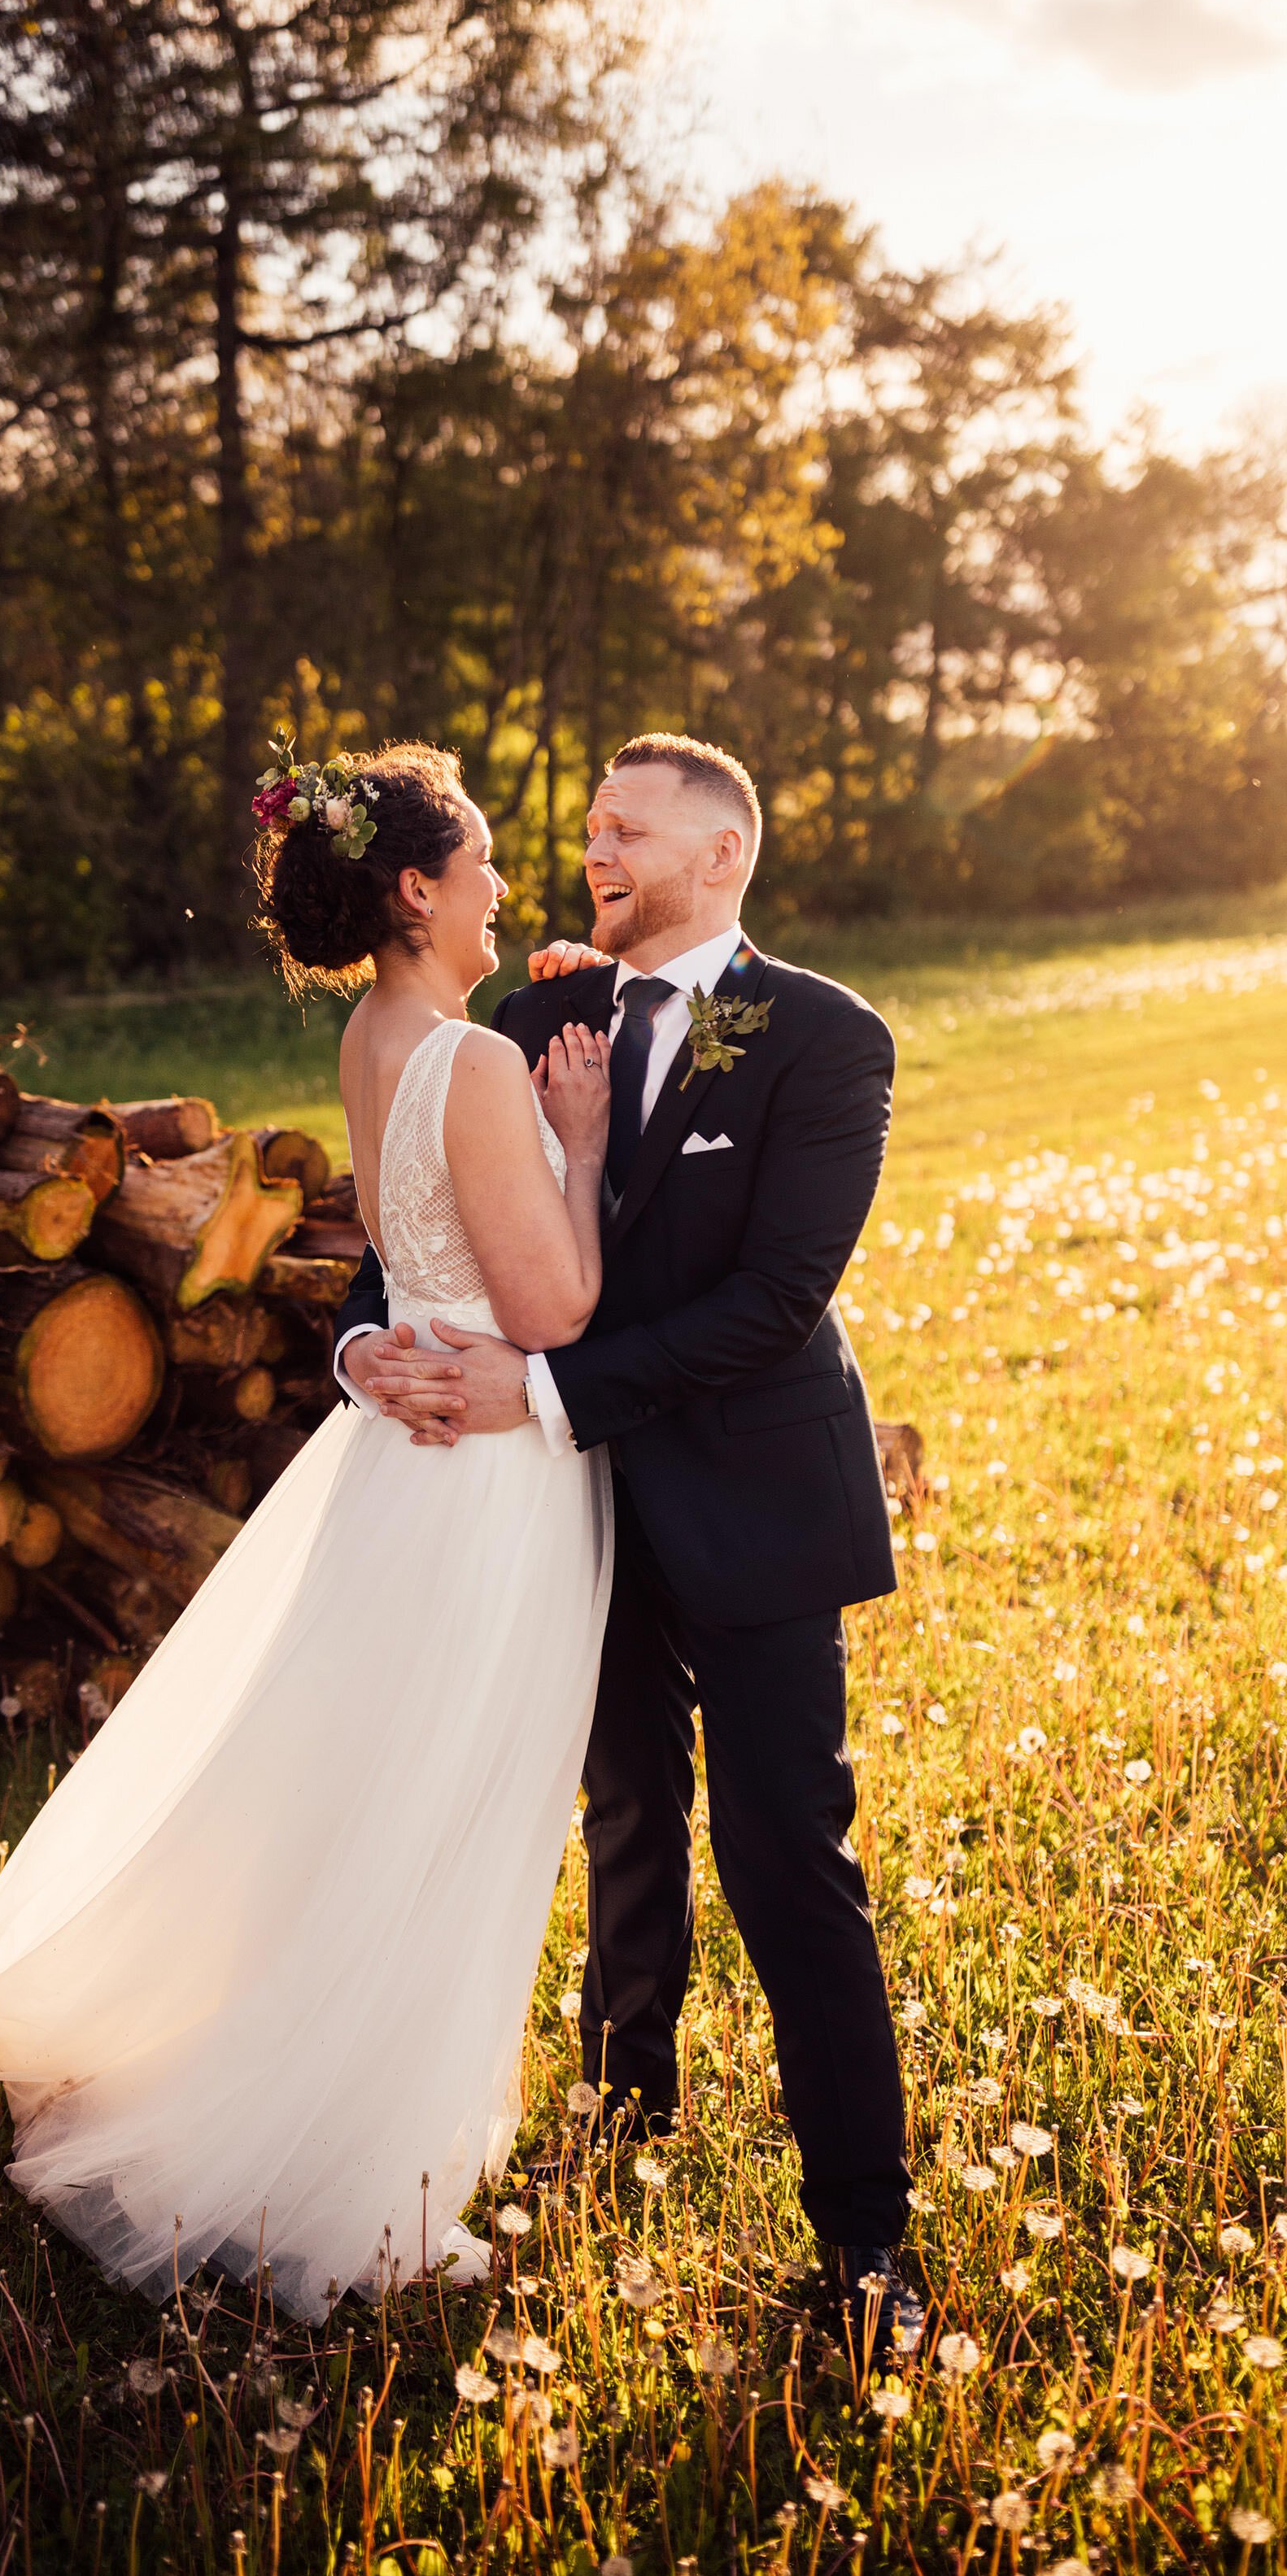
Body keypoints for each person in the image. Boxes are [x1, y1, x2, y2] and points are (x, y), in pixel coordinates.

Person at [0, 740, 615, 2321]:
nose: (502, 886)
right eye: (481, 864)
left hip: (394, 1453)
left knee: (357, 1790)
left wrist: (365, 1345)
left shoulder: (378, 1043)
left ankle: (302, 2073)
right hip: (482, 1473)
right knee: (442, 1812)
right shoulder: (472, 1060)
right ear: (413, 889)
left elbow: (402, 1264)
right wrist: (582, 1147)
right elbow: (551, 1305)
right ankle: (352, 2159)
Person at [337, 732, 922, 2352]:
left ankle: (866, 2240)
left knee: (787, 1857)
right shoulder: (531, 1017)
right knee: (623, 1820)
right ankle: (620, 2112)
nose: (593, 850)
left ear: (720, 855)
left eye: (628, 830)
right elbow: (408, 1226)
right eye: (587, 827)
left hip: (751, 1500)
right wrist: (356, 1345)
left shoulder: (822, 1038)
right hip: (568, 1519)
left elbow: (772, 1305)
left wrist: (538, 1391)